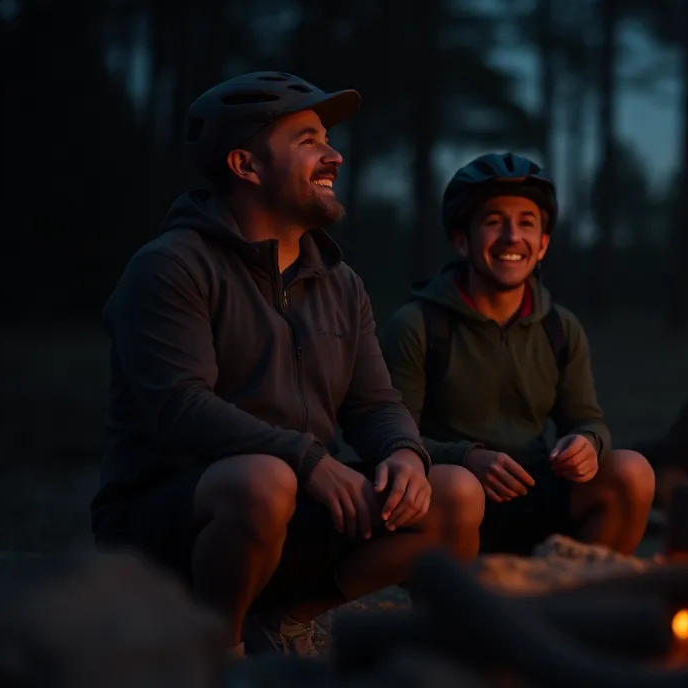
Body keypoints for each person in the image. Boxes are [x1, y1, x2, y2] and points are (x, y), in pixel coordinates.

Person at [90, 72, 485, 658]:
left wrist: (403, 452)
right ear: (246, 165)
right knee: (262, 480)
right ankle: (215, 650)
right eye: (307, 140)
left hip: (296, 504)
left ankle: (283, 622)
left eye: (326, 138)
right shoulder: (172, 267)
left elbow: (374, 404)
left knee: (454, 492)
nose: (333, 154)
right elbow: (179, 408)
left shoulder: (340, 282)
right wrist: (305, 461)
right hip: (172, 517)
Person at [379, 153, 655, 557]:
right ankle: (459, 606)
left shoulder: (560, 327)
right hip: (454, 499)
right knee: (458, 489)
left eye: (527, 223)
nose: (512, 237)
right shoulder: (418, 325)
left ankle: (582, 603)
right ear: (461, 239)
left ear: (542, 244)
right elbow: (392, 438)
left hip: (536, 488)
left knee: (633, 471)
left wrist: (587, 443)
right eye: (494, 222)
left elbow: (587, 419)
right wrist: (468, 457)